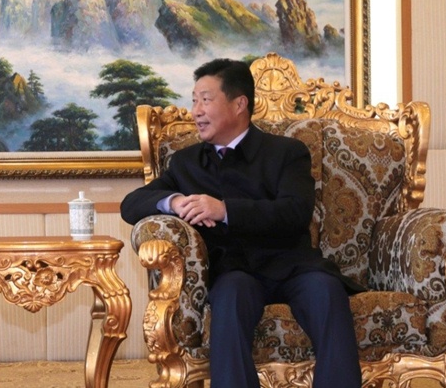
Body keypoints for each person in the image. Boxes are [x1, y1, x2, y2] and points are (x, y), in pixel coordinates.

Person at [120, 58, 363, 388]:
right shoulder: (187, 162)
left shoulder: (286, 152)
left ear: (239, 104)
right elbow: (131, 204)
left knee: (327, 291)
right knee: (230, 296)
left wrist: (224, 210)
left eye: (206, 100)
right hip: (234, 271)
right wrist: (173, 202)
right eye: (194, 100)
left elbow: (295, 212)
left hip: (293, 267)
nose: (195, 111)